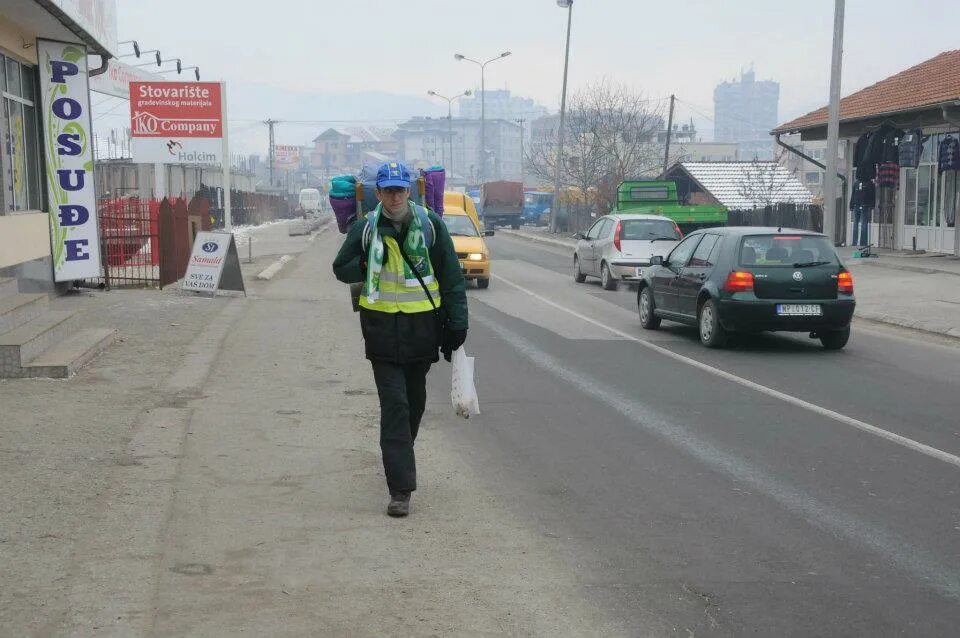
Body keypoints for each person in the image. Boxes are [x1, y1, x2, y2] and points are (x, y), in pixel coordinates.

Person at [333, 162, 468, 517]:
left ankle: (398, 454)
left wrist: (458, 324)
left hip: (422, 329)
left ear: (409, 190)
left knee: (415, 404)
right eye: (387, 190)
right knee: (395, 406)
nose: (394, 196)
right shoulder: (366, 228)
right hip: (379, 329)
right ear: (377, 193)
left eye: (400, 189)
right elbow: (340, 267)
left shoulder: (430, 225)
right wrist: (363, 265)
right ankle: (401, 489)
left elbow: (451, 278)